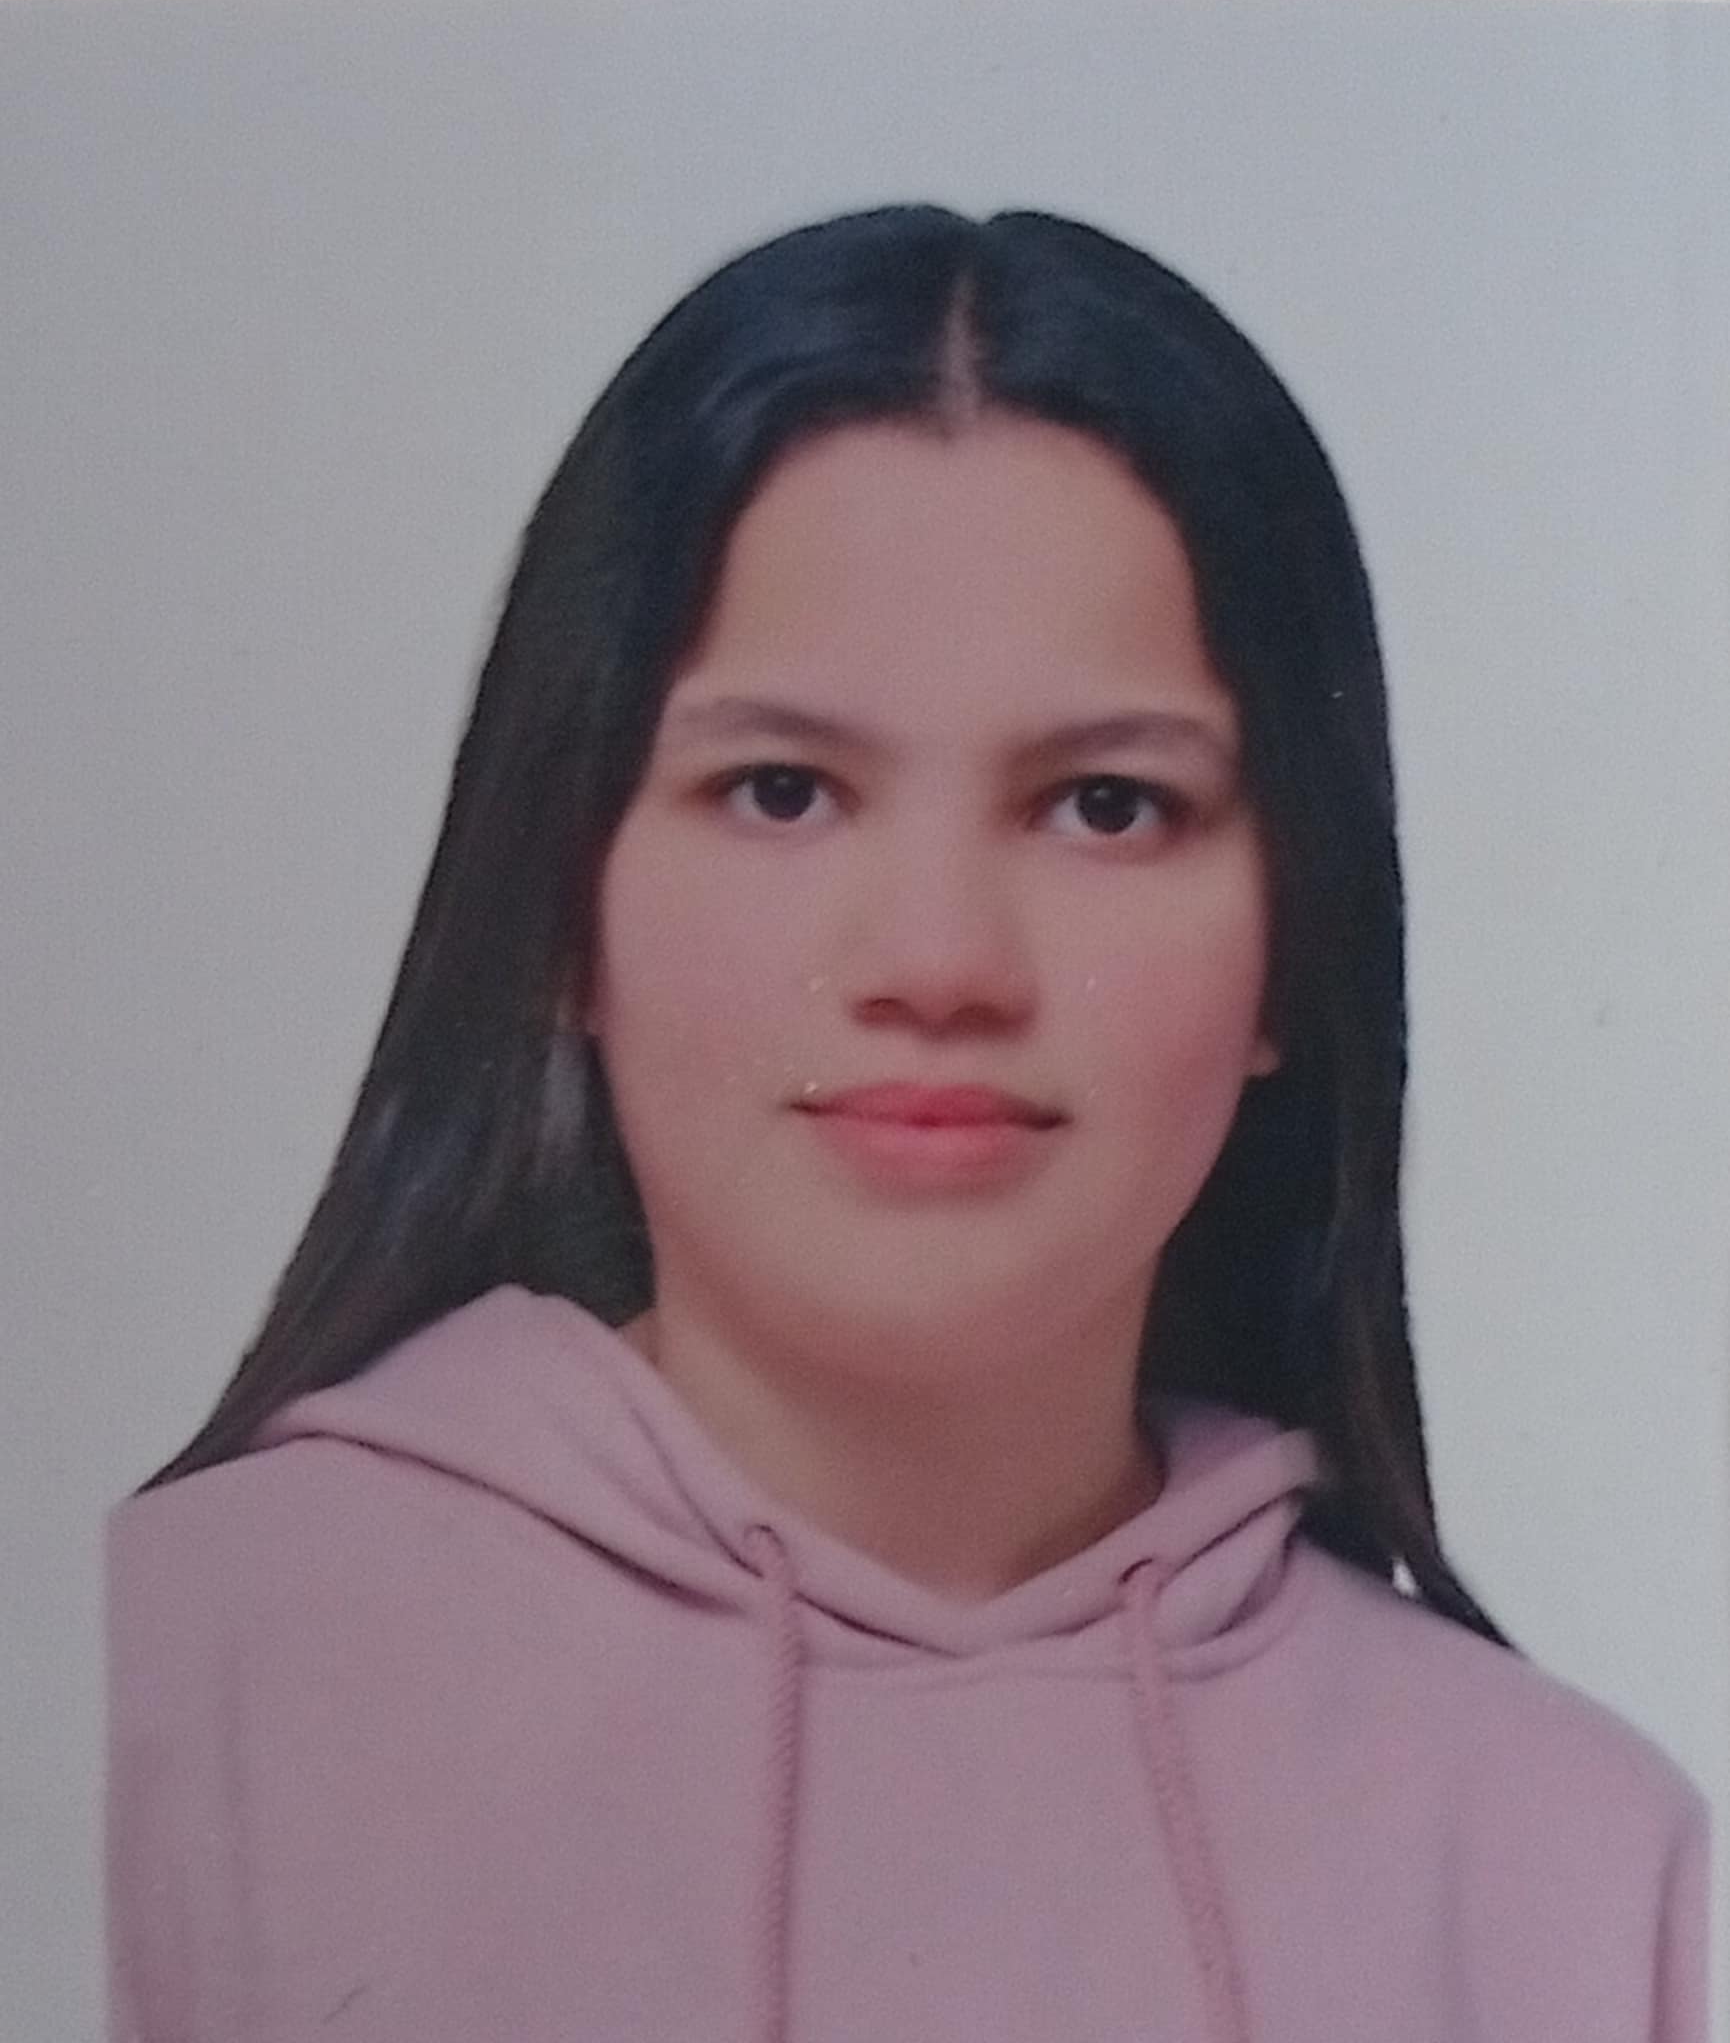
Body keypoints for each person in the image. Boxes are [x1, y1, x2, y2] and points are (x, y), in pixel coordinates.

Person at [105, 205, 1708, 2043]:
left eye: (1105, 807)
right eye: (781, 790)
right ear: (557, 912)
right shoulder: (167, 1694)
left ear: (1295, 946)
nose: (938, 963)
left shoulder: (1583, 1867)